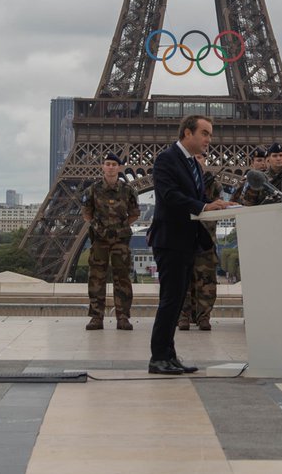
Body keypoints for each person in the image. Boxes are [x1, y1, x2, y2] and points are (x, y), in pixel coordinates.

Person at [147, 115, 234, 375]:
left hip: (187, 241)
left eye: (210, 134)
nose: (209, 139)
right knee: (170, 300)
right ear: (187, 133)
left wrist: (218, 206)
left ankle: (169, 355)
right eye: (205, 133)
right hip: (170, 240)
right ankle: (158, 357)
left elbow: (195, 200)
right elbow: (170, 196)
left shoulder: (194, 166)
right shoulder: (166, 159)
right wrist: (204, 206)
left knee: (175, 301)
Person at [81, 153, 139, 331]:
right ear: (103, 167)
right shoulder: (92, 190)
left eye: (114, 164)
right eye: (108, 164)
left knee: (122, 278)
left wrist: (119, 228)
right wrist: (101, 228)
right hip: (100, 240)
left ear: (119, 168)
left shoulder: (128, 190)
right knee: (96, 278)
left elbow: (135, 214)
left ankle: (122, 317)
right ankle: (96, 317)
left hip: (120, 241)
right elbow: (86, 214)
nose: (111, 167)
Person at [179, 153, 222, 331]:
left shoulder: (214, 185)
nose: (198, 160)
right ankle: (183, 316)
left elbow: (217, 207)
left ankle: (204, 316)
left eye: (201, 157)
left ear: (206, 160)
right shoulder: (180, 182)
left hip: (205, 238)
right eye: (194, 156)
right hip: (185, 237)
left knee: (206, 281)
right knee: (183, 280)